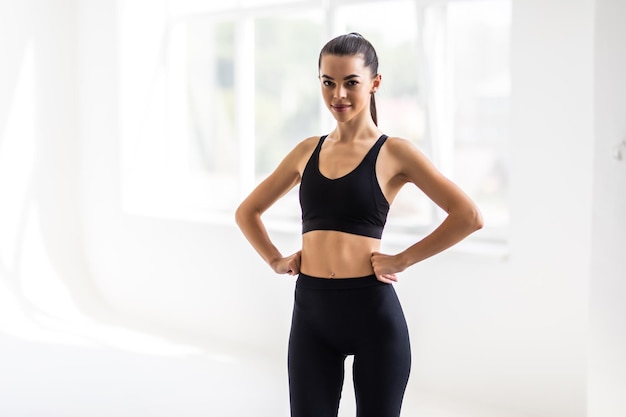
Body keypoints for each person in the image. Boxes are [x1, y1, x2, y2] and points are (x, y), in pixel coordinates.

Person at [235, 32, 483, 417]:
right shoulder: (307, 151)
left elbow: (468, 216)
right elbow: (247, 211)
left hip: (373, 316)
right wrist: (274, 259)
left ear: (374, 83)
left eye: (351, 82)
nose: (339, 95)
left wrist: (402, 259)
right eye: (328, 82)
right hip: (312, 314)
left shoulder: (395, 151)